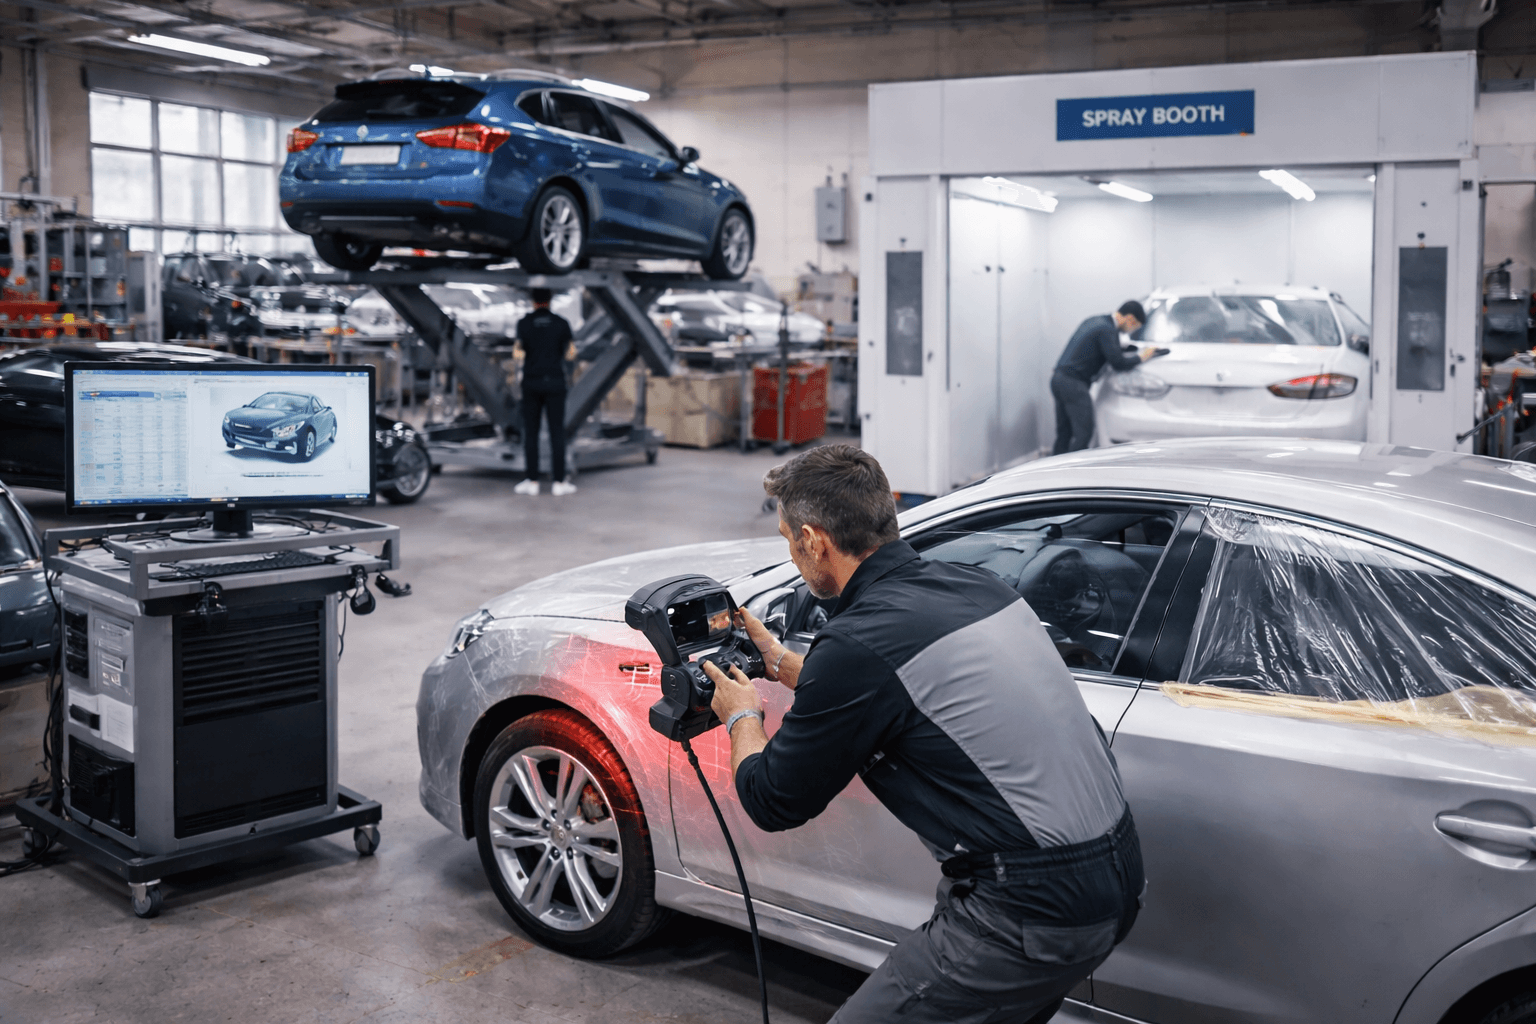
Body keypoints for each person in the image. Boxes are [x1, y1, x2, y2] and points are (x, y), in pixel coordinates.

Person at [703, 444, 1143, 1024]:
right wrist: (785, 665)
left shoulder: (859, 643)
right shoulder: (978, 588)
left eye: (789, 540)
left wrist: (741, 714)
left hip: (1029, 910)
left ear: (813, 540)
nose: (792, 553)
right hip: (1115, 882)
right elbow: (903, 694)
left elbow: (773, 799)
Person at [1051, 300, 1156, 455]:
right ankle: (1073, 472)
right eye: (1134, 327)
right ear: (1130, 319)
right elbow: (1118, 363)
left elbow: (1101, 348)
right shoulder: (1107, 330)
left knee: (1064, 433)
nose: (1130, 331)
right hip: (1074, 385)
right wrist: (1142, 357)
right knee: (1084, 432)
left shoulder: (1096, 321)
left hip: (1058, 379)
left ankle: (1052, 472)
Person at [513, 288, 576, 496]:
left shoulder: (524, 323)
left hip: (531, 382)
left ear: (533, 301)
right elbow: (570, 354)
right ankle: (559, 482)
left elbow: (518, 353)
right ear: (550, 300)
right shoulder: (562, 323)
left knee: (531, 432)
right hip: (555, 382)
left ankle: (532, 482)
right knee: (557, 432)